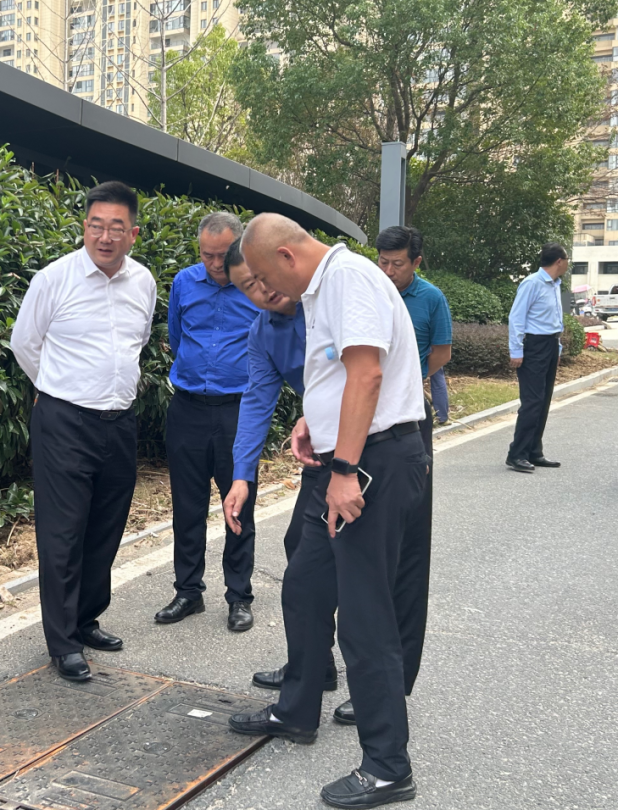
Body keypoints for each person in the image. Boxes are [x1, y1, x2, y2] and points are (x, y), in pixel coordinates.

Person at [229, 214, 428, 809]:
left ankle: (388, 766)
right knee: (305, 584)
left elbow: (368, 374)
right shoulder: (323, 289)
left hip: (369, 464)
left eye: (265, 279)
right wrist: (312, 418)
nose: (267, 293)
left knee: (365, 616)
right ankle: (296, 710)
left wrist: (343, 469)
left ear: (286, 257)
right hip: (345, 456)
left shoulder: (347, 279)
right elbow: (342, 375)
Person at [11, 181, 157, 683]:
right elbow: (25, 344)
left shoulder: (143, 282)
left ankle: (86, 618)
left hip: (119, 422)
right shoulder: (54, 279)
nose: (105, 236)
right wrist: (57, 390)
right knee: (63, 533)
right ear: (84, 227)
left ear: (133, 233)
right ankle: (63, 641)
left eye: (117, 227)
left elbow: (138, 342)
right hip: (65, 423)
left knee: (105, 528)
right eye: (96, 225)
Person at [324, 226, 451, 727]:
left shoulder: (430, 298)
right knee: (355, 557)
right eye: (383, 260)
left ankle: (393, 684)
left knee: (404, 559)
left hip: (405, 424)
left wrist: (407, 382)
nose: (389, 269)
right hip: (360, 425)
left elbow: (440, 353)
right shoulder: (364, 289)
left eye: (398, 262)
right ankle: (329, 667)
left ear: (417, 262)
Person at [221, 240, 341, 695]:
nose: (261, 291)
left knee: (367, 563)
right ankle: (314, 665)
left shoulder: (327, 304)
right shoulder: (263, 333)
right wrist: (241, 476)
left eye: (261, 278)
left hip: (376, 441)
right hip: (323, 446)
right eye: (245, 287)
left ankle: (380, 691)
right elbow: (256, 402)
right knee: (302, 546)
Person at [155, 213, 259, 632]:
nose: (216, 264)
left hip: (237, 411)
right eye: (207, 255)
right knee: (187, 504)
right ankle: (188, 591)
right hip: (188, 408)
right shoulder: (184, 282)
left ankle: (239, 596)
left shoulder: (255, 286)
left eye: (223, 255)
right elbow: (177, 337)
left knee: (239, 506)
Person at [506, 243, 568, 473]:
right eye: (567, 260)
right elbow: (516, 317)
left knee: (543, 400)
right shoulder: (532, 283)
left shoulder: (555, 284)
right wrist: (516, 350)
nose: (568, 264)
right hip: (533, 346)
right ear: (559, 261)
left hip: (550, 344)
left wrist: (557, 348)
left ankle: (534, 451)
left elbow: (554, 320)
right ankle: (517, 454)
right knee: (532, 402)